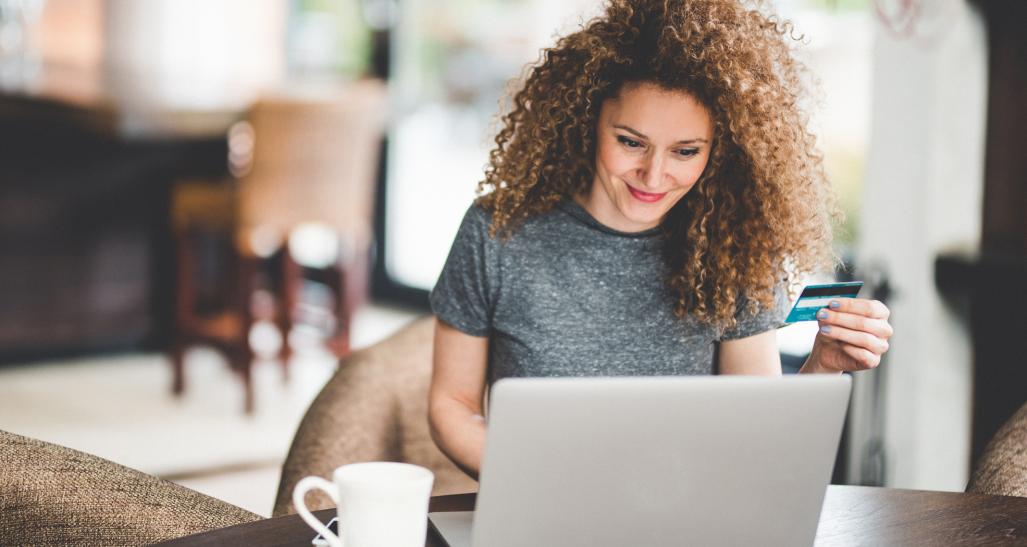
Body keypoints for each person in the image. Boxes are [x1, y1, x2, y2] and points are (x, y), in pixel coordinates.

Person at [427, 0, 893, 479]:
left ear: (719, 151)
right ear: (587, 122)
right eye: (631, 142)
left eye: (685, 151)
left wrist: (823, 365)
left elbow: (755, 437)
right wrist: (533, 480)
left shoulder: (736, 249)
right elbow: (452, 404)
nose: (653, 175)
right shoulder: (498, 229)